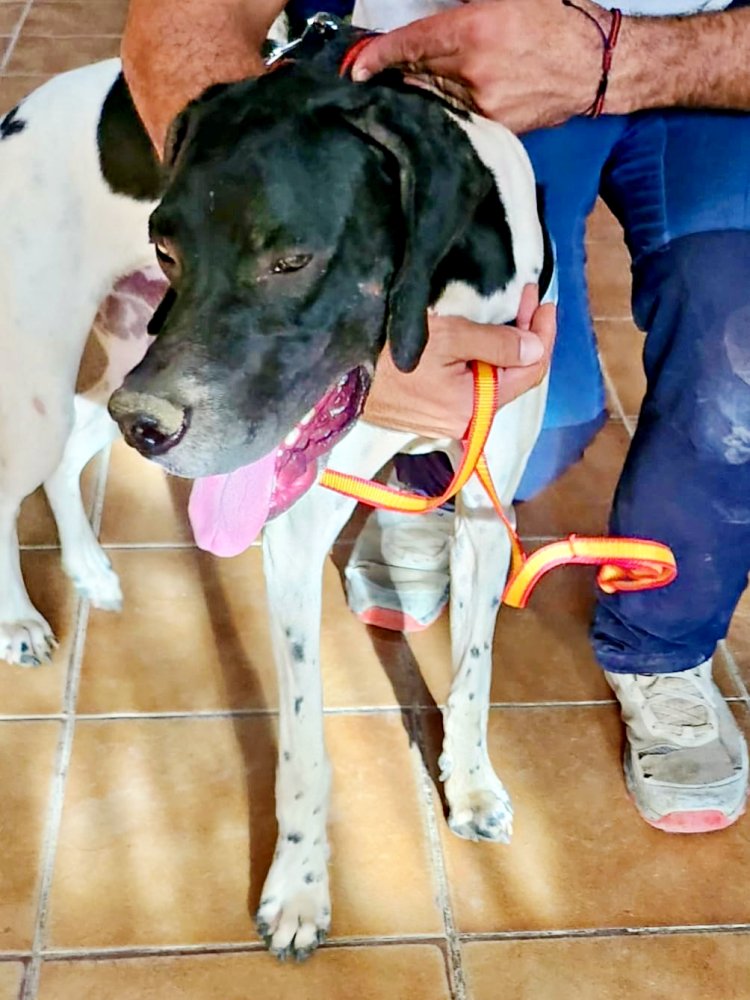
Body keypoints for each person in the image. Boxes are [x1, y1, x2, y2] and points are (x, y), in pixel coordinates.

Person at [122, 0, 750, 833]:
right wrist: (352, 330)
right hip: (449, 78)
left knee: (737, 374)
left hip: (718, 66)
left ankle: (663, 647)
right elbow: (182, 18)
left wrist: (621, 59)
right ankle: (415, 486)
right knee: (535, 434)